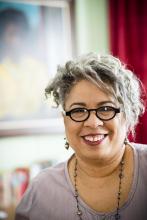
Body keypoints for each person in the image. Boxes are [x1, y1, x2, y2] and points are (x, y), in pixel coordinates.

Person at [15, 53, 147, 220]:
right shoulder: (40, 192)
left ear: (127, 116)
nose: (92, 123)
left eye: (106, 108)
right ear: (65, 121)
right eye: (78, 110)